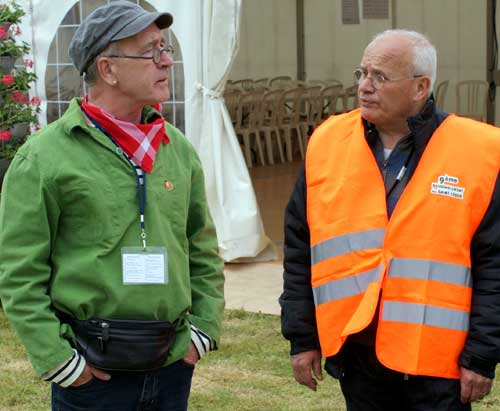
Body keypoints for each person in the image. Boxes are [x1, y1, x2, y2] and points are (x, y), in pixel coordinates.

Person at [0, 2, 224, 410]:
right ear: (108, 69)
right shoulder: (43, 159)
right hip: (91, 375)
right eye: (151, 51)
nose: (166, 61)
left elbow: (202, 247)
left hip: (172, 366)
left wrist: (202, 332)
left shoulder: (176, 149)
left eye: (165, 48)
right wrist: (60, 362)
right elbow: (18, 273)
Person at [280, 29, 500, 410]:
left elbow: (494, 262)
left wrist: (481, 355)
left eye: (380, 77)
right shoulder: (328, 143)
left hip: (438, 366)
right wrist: (302, 336)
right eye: (362, 73)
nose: (364, 86)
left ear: (420, 87)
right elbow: (300, 245)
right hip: (360, 357)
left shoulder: (479, 152)